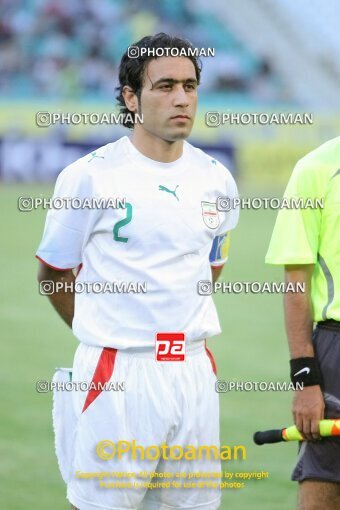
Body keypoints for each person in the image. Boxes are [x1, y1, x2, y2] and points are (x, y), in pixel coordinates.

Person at [36, 33, 239, 510]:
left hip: (192, 369)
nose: (181, 98)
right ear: (131, 98)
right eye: (165, 85)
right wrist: (108, 331)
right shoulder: (90, 176)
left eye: (189, 85)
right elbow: (53, 274)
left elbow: (211, 268)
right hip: (118, 370)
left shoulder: (216, 177)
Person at [266, 136, 340, 510]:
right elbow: (296, 282)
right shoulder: (316, 168)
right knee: (323, 491)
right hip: (335, 352)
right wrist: (305, 379)